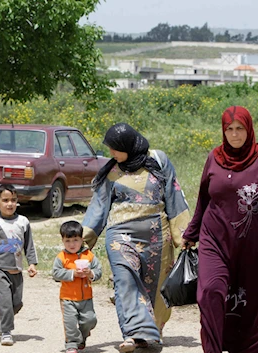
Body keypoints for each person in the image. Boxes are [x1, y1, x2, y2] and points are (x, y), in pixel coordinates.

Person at [182, 106, 258, 353]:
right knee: (210, 292)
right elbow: (203, 199)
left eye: (239, 129)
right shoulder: (214, 158)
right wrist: (191, 233)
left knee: (252, 304)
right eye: (229, 129)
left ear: (249, 129)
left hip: (252, 246)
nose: (234, 135)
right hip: (215, 241)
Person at [81, 123, 190, 352]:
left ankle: (151, 332)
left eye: (114, 148)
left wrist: (184, 233)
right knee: (125, 281)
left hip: (157, 235)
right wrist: (82, 240)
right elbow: (99, 206)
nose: (111, 153)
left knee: (155, 285)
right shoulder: (111, 170)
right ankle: (133, 334)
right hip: (120, 234)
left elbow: (173, 194)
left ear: (128, 145)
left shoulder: (158, 160)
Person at [0, 184, 38, 346]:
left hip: (16, 270)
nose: (9, 204)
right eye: (5, 200)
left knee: (16, 303)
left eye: (13, 200)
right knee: (4, 302)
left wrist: (32, 263)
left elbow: (29, 245)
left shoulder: (23, 222)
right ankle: (6, 332)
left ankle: (2, 325)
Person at [52, 220, 103, 353]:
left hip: (86, 297)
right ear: (63, 241)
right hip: (67, 298)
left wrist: (90, 273)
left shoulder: (89, 256)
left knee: (90, 320)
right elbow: (56, 274)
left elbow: (98, 271)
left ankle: (83, 336)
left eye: (75, 240)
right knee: (70, 324)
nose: (72, 244)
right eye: (67, 241)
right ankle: (71, 344)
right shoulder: (61, 257)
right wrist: (72, 273)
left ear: (82, 239)